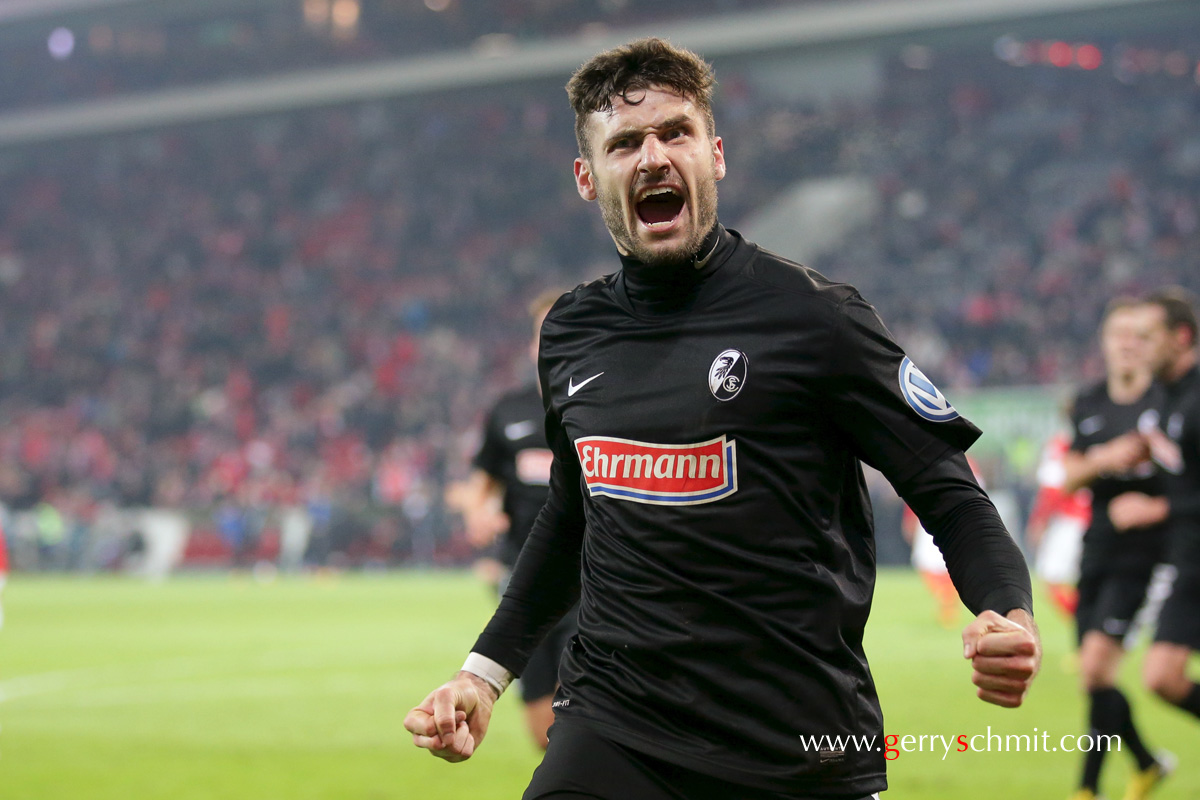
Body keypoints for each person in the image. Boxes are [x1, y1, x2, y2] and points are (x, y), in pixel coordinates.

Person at [405, 38, 1039, 800]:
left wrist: (1007, 610)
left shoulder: (815, 317)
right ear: (587, 176)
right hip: (614, 726)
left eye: (676, 132)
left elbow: (947, 487)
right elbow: (572, 515)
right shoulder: (572, 332)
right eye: (625, 142)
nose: (653, 157)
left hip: (795, 746)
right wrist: (483, 673)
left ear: (716, 156)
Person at [1058, 297, 1171, 800]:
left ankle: (1088, 788)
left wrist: (1154, 503)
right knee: (1093, 675)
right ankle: (1147, 763)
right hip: (1097, 547)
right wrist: (1105, 457)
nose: (1127, 344)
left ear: (1154, 345)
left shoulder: (1171, 402)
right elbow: (1066, 478)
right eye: (1118, 334)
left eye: (1139, 336)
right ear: (1104, 343)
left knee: (1098, 667)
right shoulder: (1088, 401)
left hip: (1148, 554)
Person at [452, 290, 576, 750]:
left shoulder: (603, 408)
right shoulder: (508, 411)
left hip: (589, 574)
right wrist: (478, 510)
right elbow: (482, 481)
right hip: (522, 573)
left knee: (583, 711)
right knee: (542, 729)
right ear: (531, 345)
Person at [1109, 288, 1200, 730]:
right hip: (1188, 562)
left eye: (1147, 337)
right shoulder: (1164, 398)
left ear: (1180, 336)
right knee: (1162, 677)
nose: (1136, 346)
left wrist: (1156, 508)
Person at [1026, 432, 1089, 621]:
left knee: (1051, 578)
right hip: (1093, 519)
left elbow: (1051, 489)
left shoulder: (1060, 445)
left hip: (1069, 522)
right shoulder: (1096, 437)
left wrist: (1039, 521)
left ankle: (1086, 624)